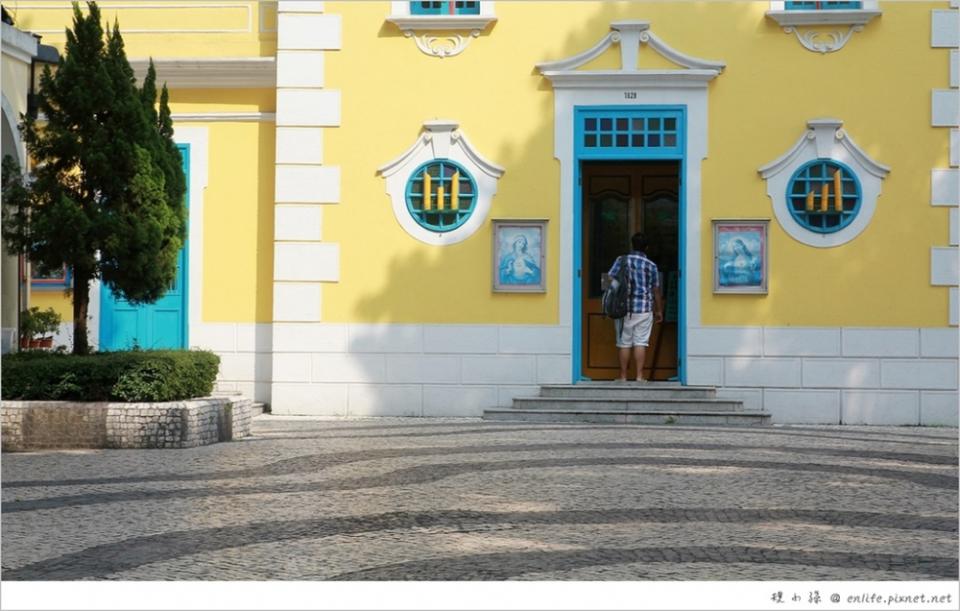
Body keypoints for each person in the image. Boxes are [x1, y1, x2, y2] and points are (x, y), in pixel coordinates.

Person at [607, 232, 663, 382]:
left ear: (632, 245)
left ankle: (623, 376)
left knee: (624, 342)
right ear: (646, 247)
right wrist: (659, 310)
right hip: (644, 308)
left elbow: (611, 278)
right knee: (640, 342)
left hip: (622, 307)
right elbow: (656, 289)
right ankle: (639, 376)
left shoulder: (621, 260)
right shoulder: (651, 265)